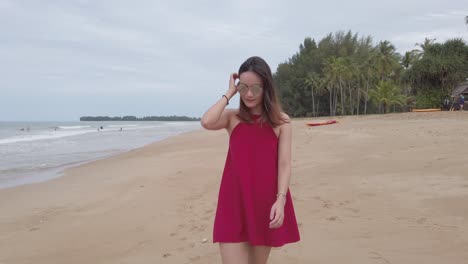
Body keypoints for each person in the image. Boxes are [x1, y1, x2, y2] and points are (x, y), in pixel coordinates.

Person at [201, 56, 300, 264]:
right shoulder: (232, 118)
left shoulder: (281, 121)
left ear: (266, 88)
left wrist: (280, 200)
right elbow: (207, 122)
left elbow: (284, 165)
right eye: (243, 87)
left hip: (265, 203)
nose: (248, 94)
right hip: (232, 203)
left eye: (255, 88)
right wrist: (229, 93)